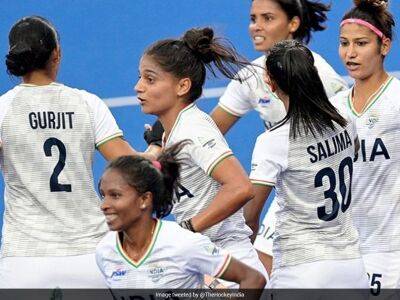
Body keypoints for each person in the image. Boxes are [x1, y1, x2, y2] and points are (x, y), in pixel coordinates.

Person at [0, 16, 158, 288]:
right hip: (90, 257)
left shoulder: (3, 110)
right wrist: (155, 147)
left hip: (25, 259)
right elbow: (132, 166)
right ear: (56, 55)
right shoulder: (87, 103)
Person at [209, 0, 349, 274]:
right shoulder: (252, 76)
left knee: (264, 263)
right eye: (253, 18)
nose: (256, 27)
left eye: (267, 18)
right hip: (293, 183)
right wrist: (159, 146)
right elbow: (210, 130)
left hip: (320, 190)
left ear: (293, 24)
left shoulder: (321, 75)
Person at [135, 27, 269, 286]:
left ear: (182, 86)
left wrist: (188, 229)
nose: (138, 87)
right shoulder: (173, 131)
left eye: (150, 79)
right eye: (140, 77)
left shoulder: (193, 130)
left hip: (229, 261)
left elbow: (241, 187)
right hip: (207, 259)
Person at [248, 39, 368, 288]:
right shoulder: (345, 119)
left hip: (301, 269)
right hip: (352, 268)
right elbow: (352, 152)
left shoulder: (273, 141)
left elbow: (250, 216)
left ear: (270, 83)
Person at [96, 144, 266, 293]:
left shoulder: (183, 243)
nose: (104, 205)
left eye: (115, 195)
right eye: (103, 195)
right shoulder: (105, 251)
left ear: (144, 199)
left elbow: (253, 279)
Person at [332, 0, 400, 291]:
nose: (350, 53)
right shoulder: (333, 108)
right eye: (344, 43)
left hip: (391, 249)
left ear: (383, 46)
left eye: (361, 43)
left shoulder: (397, 99)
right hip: (345, 251)